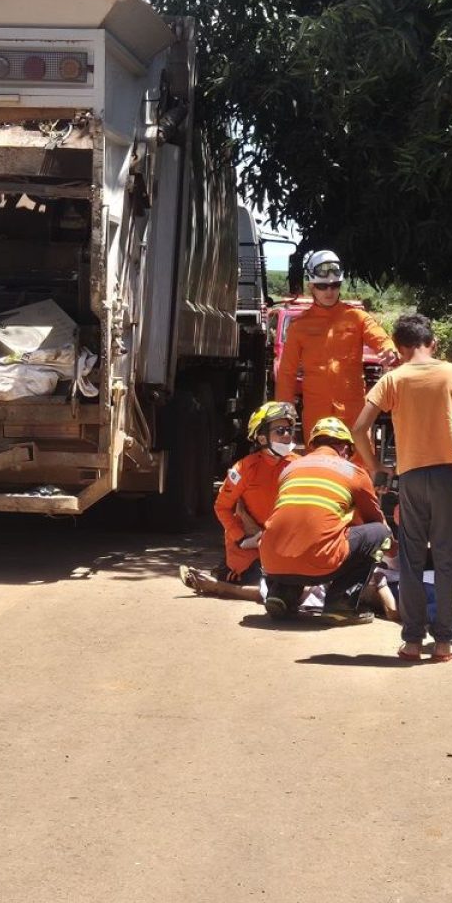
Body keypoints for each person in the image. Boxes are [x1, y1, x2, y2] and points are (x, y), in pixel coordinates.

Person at [353, 313, 452, 662]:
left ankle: (411, 641)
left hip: (411, 477)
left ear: (399, 348)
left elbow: (359, 428)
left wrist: (375, 466)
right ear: (433, 343)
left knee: (410, 557)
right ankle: (443, 643)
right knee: (448, 557)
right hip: (448, 474)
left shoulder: (393, 379)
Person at [260, 417, 392, 623]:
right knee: (379, 533)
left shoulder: (290, 469)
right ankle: (341, 604)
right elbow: (374, 521)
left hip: (271, 561)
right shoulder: (354, 472)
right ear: (345, 448)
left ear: (313, 445)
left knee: (298, 531)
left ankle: (281, 594)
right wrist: (396, 554)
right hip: (319, 562)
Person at [180, 401, 299, 602]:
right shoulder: (244, 469)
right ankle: (219, 582)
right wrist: (242, 538)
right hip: (250, 549)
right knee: (265, 588)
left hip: (284, 546)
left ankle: (218, 575)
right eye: (280, 431)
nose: (287, 435)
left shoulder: (299, 465)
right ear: (262, 438)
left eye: (290, 430)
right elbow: (222, 507)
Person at [273, 249, 396, 432]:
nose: (329, 291)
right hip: (317, 414)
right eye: (322, 286)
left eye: (335, 285)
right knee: (319, 453)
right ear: (311, 287)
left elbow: (380, 337)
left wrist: (388, 348)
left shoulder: (357, 317)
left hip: (353, 412)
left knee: (360, 452)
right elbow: (287, 373)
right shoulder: (299, 326)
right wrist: (283, 414)